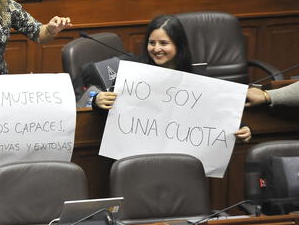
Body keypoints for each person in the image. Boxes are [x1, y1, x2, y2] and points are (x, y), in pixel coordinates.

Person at [93, 15, 252, 141]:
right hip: (137, 155)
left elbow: (218, 112)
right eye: (151, 43)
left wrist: (243, 127)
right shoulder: (131, 73)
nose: (156, 49)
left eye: (164, 43)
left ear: (179, 45)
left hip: (181, 157)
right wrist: (98, 102)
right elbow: (110, 113)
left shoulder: (197, 78)